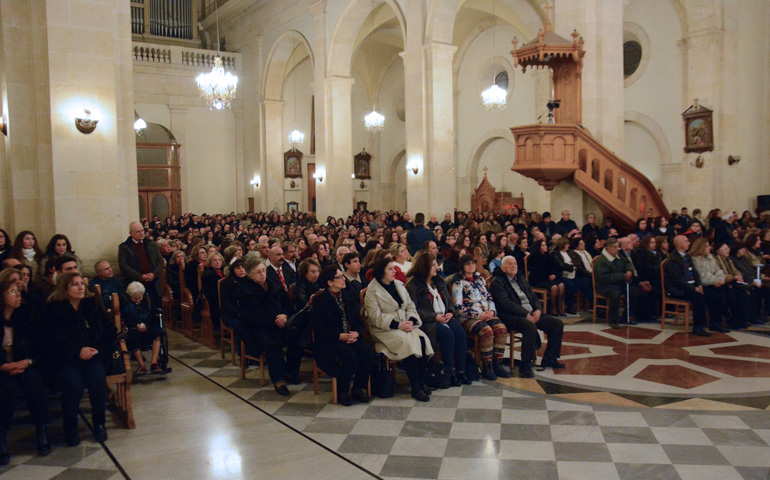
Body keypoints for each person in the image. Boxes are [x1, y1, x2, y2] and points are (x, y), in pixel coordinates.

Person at [46, 272, 115, 445]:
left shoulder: (91, 304)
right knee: (73, 383)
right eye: (75, 284)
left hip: (93, 355)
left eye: (81, 284)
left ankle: (99, 423)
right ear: (65, 289)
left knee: (97, 379)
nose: (81, 287)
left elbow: (107, 330)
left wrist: (96, 350)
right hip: (67, 359)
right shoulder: (55, 309)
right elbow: (52, 341)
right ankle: (70, 426)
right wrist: (77, 351)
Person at [364, 258, 433, 402]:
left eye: (394, 268)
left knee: (422, 339)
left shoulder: (399, 285)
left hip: (404, 324)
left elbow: (410, 306)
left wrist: (411, 320)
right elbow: (374, 317)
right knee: (408, 342)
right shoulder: (372, 290)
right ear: (381, 272)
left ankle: (421, 381)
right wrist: (397, 325)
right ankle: (415, 387)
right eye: (390, 269)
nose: (394, 271)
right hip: (384, 329)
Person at [0, 272, 51, 465]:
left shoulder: (26, 315)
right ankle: (2, 437)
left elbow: (39, 344)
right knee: (8, 391)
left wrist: (28, 362)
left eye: (18, 291)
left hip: (24, 363)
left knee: (34, 385)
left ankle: (42, 430)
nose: (18, 294)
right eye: (12, 292)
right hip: (2, 367)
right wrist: (4, 366)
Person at [490, 256, 565, 378]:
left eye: (515, 263)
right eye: (510, 264)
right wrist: (525, 313)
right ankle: (526, 364)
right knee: (529, 326)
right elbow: (504, 303)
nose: (513, 266)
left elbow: (533, 296)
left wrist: (538, 310)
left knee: (556, 324)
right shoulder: (498, 281)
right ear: (503, 268)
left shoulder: (520, 278)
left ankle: (550, 358)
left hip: (530, 313)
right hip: (510, 315)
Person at [311, 266, 374, 406]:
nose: (343, 279)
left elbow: (358, 320)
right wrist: (339, 336)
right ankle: (343, 390)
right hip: (332, 339)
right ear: (329, 282)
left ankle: (358, 388)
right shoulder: (320, 300)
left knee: (367, 354)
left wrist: (356, 332)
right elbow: (319, 328)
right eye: (339, 277)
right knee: (350, 358)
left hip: (351, 336)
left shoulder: (348, 295)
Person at [405, 251, 469, 386]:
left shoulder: (439, 280)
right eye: (434, 265)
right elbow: (414, 310)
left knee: (460, 333)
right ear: (425, 266)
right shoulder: (413, 285)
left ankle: (461, 371)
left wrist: (451, 311)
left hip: (444, 316)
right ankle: (449, 372)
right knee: (448, 335)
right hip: (428, 320)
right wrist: (435, 316)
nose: (437, 268)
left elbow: (449, 301)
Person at [235, 260, 297, 395]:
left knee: (296, 335)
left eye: (263, 270)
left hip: (279, 322)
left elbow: (287, 303)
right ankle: (278, 380)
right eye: (258, 272)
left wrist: (284, 315)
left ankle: (290, 371)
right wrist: (275, 320)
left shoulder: (273, 284)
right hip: (256, 327)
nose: (262, 274)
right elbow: (251, 315)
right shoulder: (245, 290)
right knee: (271, 344)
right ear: (251, 275)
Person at [451, 254, 510, 380]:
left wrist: (492, 311)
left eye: (473, 263)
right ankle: (486, 366)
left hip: (486, 313)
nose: (471, 265)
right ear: (462, 266)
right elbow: (458, 307)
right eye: (468, 263)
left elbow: (489, 297)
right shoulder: (458, 282)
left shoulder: (480, 279)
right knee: (486, 331)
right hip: (468, 317)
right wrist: (478, 315)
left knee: (501, 329)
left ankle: (497, 364)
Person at [664, 235, 710, 336]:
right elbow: (678, 280)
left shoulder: (687, 256)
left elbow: (695, 272)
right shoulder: (673, 260)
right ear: (679, 245)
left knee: (710, 291)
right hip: (678, 290)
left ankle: (712, 322)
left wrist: (699, 284)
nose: (689, 243)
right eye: (686, 241)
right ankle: (698, 326)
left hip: (690, 287)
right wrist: (694, 288)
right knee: (698, 297)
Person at [593, 238, 639, 329]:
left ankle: (626, 316)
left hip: (618, 284)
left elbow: (627, 263)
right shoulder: (602, 260)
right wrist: (622, 276)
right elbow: (603, 277)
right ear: (608, 248)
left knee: (634, 292)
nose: (618, 249)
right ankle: (613, 320)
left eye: (618, 247)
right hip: (604, 286)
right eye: (615, 247)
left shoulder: (619, 256)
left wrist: (629, 270)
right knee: (615, 294)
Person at [118, 221, 164, 309]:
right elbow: (123, 266)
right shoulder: (124, 247)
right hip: (136, 282)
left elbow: (160, 261)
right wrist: (140, 276)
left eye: (142, 230)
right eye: (138, 231)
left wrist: (154, 274)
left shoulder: (151, 244)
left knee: (155, 306)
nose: (141, 233)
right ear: (131, 233)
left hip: (153, 281)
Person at [689, 238, 731, 333]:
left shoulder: (710, 257)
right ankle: (713, 323)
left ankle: (718, 322)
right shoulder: (695, 259)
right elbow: (702, 275)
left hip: (713, 283)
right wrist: (715, 281)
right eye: (707, 246)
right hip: (701, 284)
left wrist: (720, 279)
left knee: (721, 291)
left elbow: (718, 270)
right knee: (713, 293)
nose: (709, 247)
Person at [122, 282, 163, 375]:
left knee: (157, 332)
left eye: (139, 298)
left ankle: (154, 363)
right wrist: (135, 325)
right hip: (132, 327)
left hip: (147, 325)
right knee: (131, 338)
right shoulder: (125, 302)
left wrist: (146, 324)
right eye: (134, 299)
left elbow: (152, 315)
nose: (138, 301)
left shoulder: (148, 299)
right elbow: (126, 318)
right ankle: (141, 365)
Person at [528, 239, 566, 315]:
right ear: (538, 247)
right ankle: (553, 308)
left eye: (545, 245)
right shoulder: (533, 257)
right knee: (554, 287)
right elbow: (535, 272)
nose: (546, 247)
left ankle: (559, 306)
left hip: (548, 278)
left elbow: (553, 268)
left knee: (561, 285)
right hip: (538, 279)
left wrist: (554, 275)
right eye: (543, 245)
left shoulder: (548, 256)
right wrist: (548, 276)